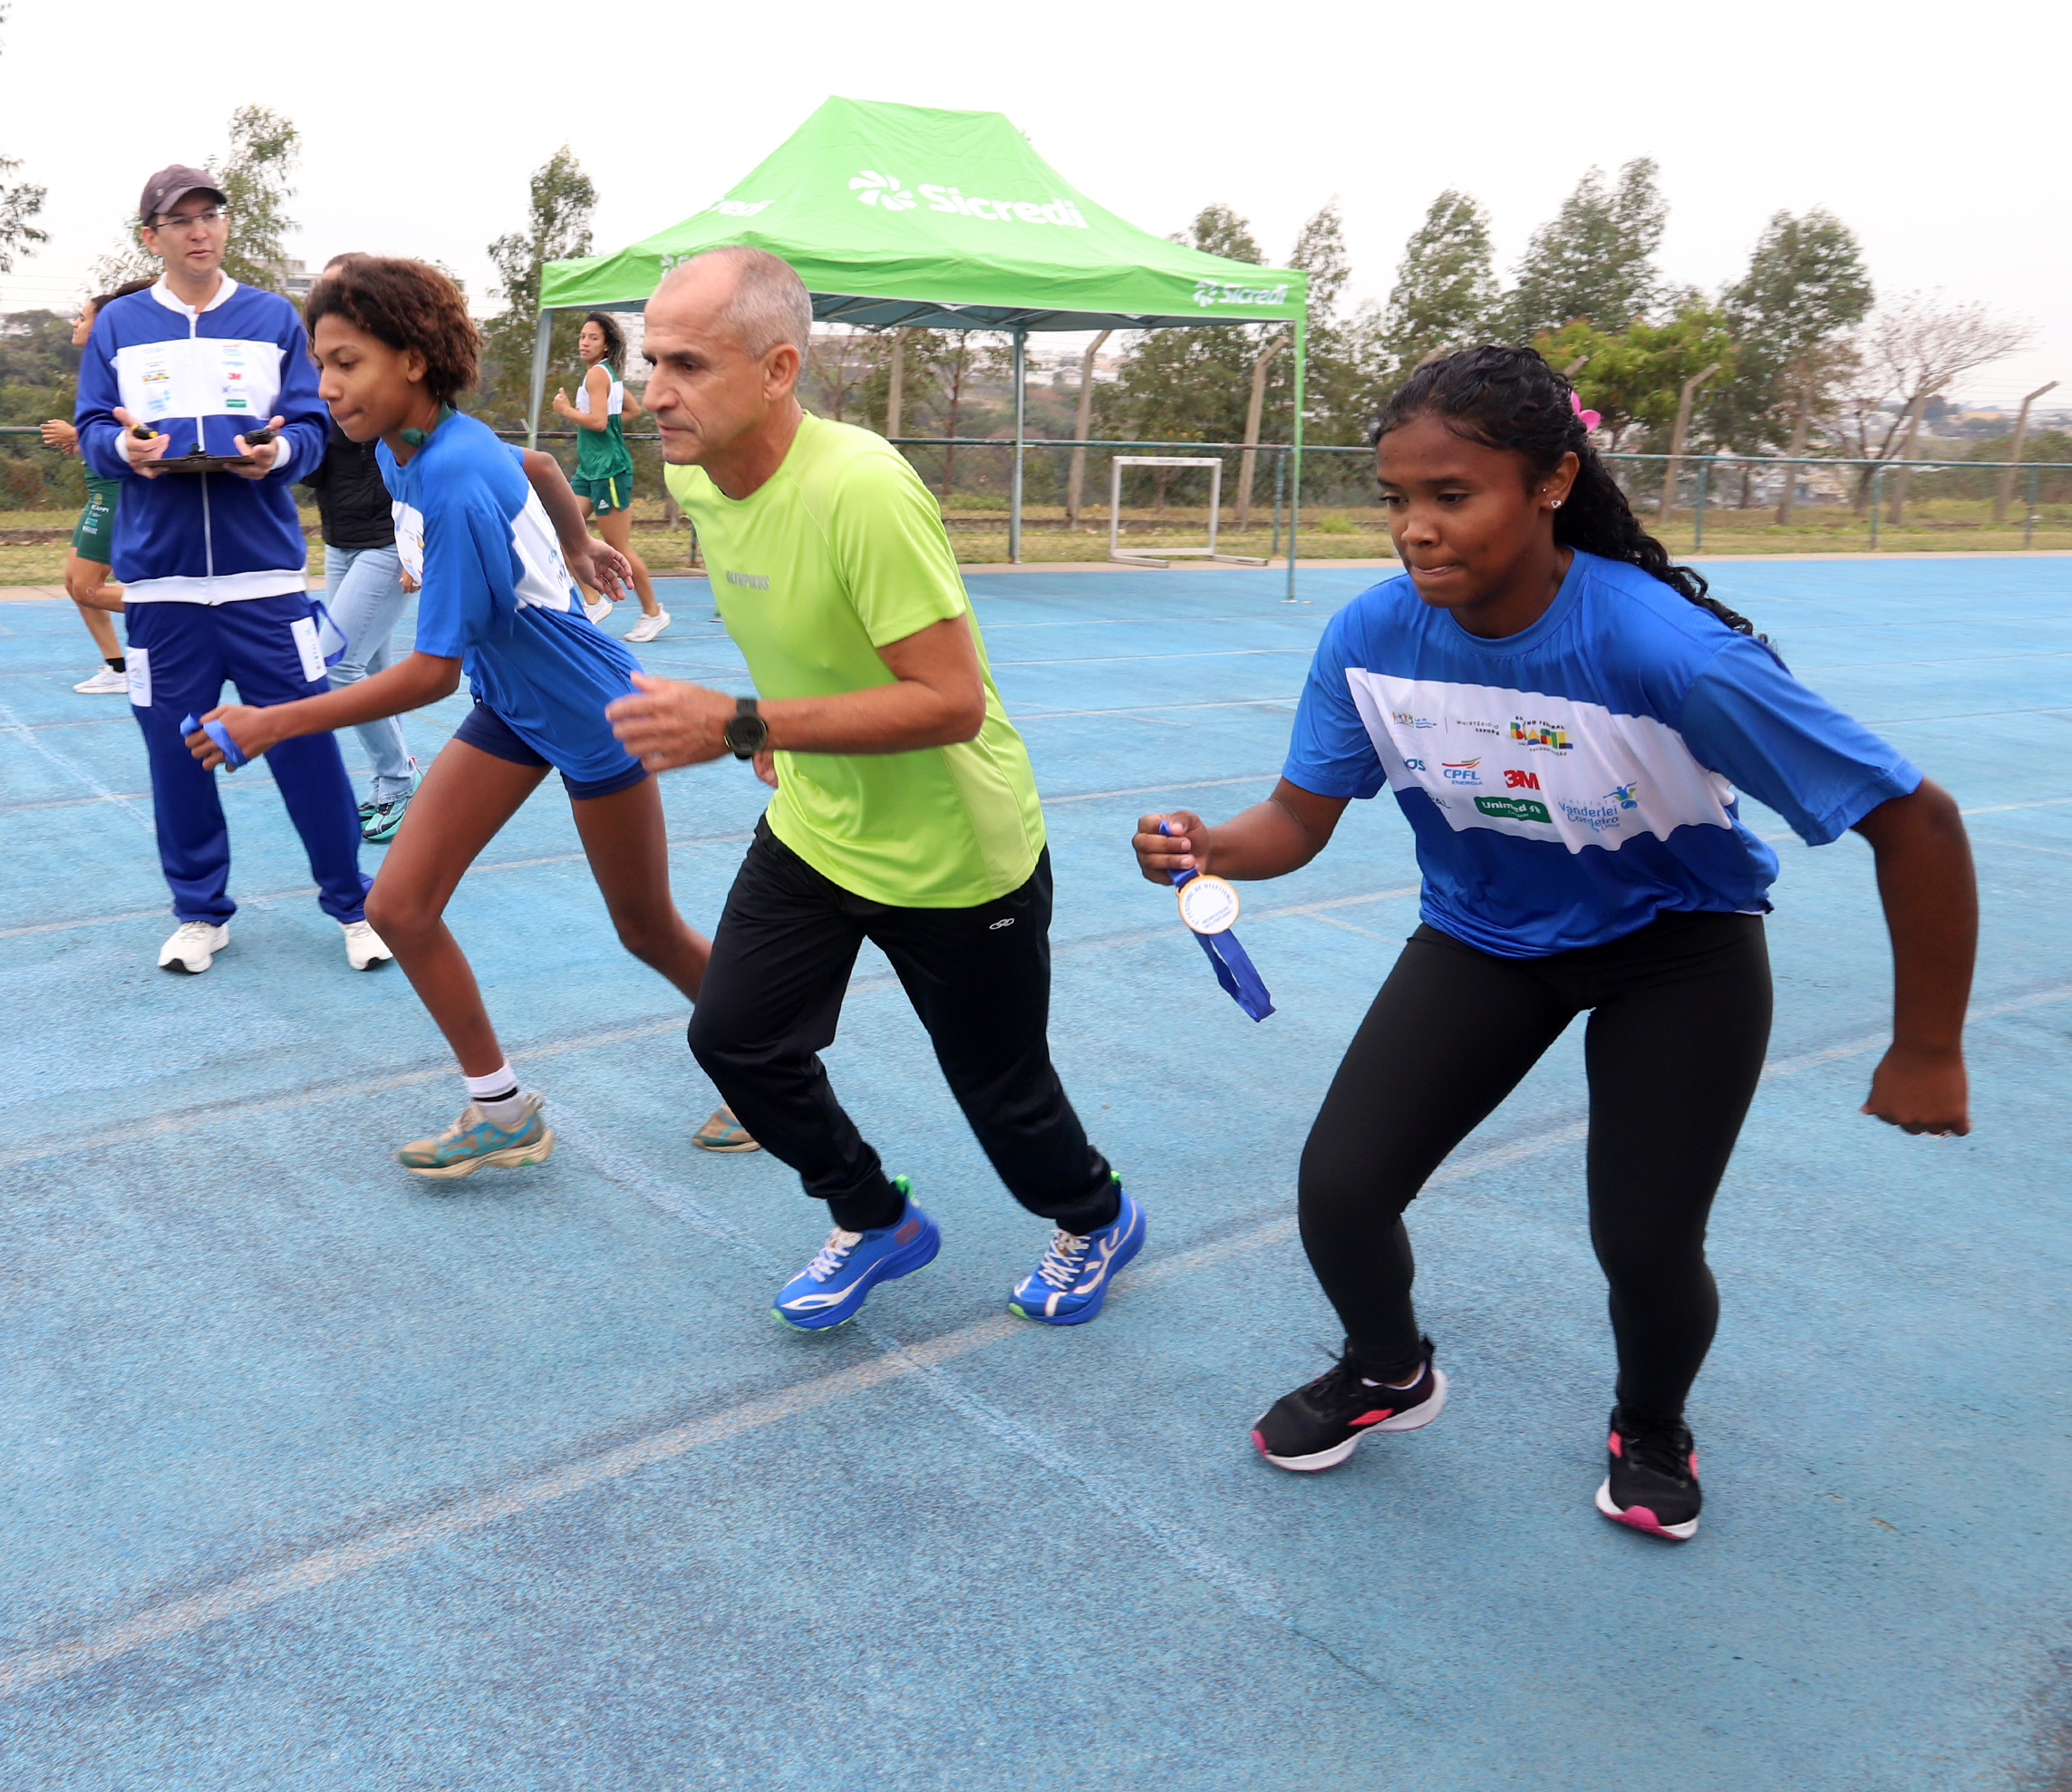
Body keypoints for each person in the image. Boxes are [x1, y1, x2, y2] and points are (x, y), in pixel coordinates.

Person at [1134, 344, 1978, 1543]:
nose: (1417, 529)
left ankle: (1651, 1422)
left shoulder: (1662, 651)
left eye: (1451, 494)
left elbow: (1921, 822)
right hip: (1486, 938)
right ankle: (1390, 1371)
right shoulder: (1373, 639)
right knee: (1342, 1188)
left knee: (1642, 1239)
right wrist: (1208, 843)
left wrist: (1929, 1045)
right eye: (1397, 499)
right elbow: (1295, 825)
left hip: (1676, 952)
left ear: (1552, 482)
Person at [605, 246, 1143, 1332]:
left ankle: (1095, 1214)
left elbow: (949, 700)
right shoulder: (694, 472)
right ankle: (876, 1215)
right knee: (736, 1037)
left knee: (1003, 1092)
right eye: (649, 357)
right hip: (819, 820)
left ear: (778, 368)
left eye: (688, 363)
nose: (652, 390)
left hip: (956, 852)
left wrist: (746, 722)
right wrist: (780, 720)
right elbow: (794, 614)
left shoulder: (862, 486)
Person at [186, 256, 741, 1176]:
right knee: (398, 906)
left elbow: (432, 674)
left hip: (592, 708)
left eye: (346, 362)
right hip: (516, 703)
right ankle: (502, 1105)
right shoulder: (419, 446)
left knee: (645, 927)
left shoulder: (446, 474)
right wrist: (574, 538)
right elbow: (534, 461)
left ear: (411, 359)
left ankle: (774, 1057)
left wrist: (272, 721)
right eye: (320, 364)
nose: (326, 386)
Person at [74, 165, 386, 976]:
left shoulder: (273, 317)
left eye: (211, 215)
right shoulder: (120, 326)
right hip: (161, 588)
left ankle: (353, 904)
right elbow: (89, 431)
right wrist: (125, 451)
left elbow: (317, 426)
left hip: (265, 585)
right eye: (180, 220)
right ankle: (199, 913)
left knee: (308, 747)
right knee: (176, 757)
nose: (200, 230)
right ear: (152, 236)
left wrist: (277, 454)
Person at [302, 253, 421, 844]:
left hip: (386, 544)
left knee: (332, 666)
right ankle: (398, 773)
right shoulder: (318, 374)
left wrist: (413, 547)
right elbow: (310, 462)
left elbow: (425, 464)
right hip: (341, 542)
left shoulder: (388, 368)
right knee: (369, 668)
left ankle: (397, 780)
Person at [40, 280, 155, 693]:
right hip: (99, 489)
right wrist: (83, 439)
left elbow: (138, 428)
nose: (76, 322)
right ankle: (118, 670)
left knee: (89, 587)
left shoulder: (125, 367)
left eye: (84, 316)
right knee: (75, 586)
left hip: (118, 491)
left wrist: (78, 434)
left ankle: (177, 611)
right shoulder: (98, 365)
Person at [549, 312, 669, 643]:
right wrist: (607, 427)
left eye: (593, 338)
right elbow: (630, 410)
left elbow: (600, 422)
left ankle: (653, 613)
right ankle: (593, 600)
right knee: (561, 530)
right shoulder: (606, 375)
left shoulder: (597, 377)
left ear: (606, 346)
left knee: (618, 547)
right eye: (582, 336)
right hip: (591, 470)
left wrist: (566, 411)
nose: (584, 342)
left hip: (610, 471)